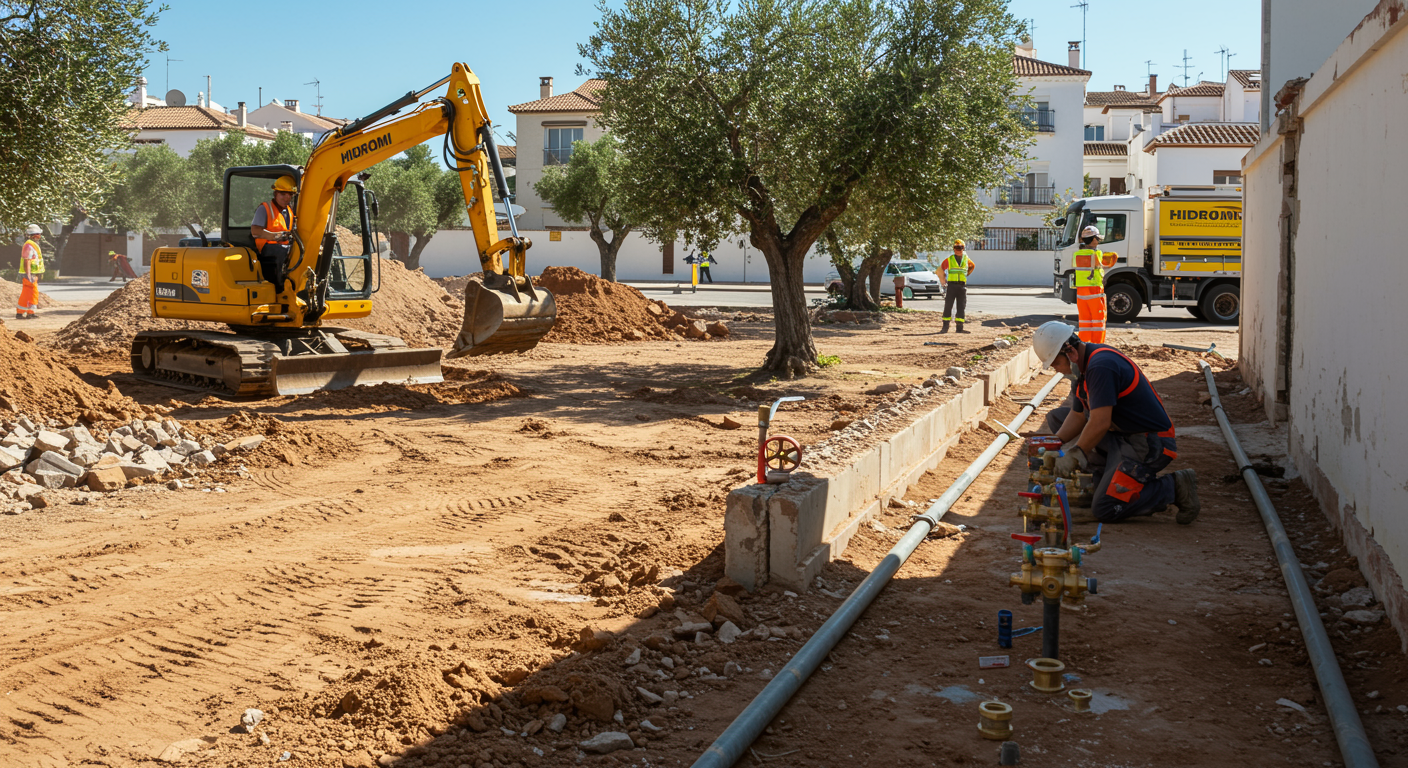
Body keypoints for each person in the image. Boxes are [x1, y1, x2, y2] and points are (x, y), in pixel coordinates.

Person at [1031, 320, 1199, 525]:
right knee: (1057, 417)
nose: (1056, 370)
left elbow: (1100, 422)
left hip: (1149, 443)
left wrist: (1075, 454)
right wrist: (1054, 444)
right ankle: (1102, 474)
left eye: (1056, 363)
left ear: (1070, 352)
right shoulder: (1082, 369)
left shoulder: (1101, 367)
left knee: (1104, 508)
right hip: (1123, 434)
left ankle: (1174, 486)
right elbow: (1078, 415)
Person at [1072, 225, 1118, 343]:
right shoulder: (1097, 253)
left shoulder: (1076, 254)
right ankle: (1097, 346)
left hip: (1081, 293)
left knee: (1085, 321)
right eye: (1097, 238)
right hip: (1094, 292)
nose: (1098, 241)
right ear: (1093, 239)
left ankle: (1084, 345)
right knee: (1098, 321)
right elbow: (1104, 265)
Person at [252, 175, 297, 289]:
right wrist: (273, 236)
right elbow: (255, 231)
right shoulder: (265, 208)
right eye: (283, 194)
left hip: (284, 247)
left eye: (290, 195)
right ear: (275, 193)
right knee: (284, 252)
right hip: (266, 249)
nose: (286, 198)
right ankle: (280, 288)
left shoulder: (289, 211)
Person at [938, 239, 975, 333]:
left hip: (962, 286)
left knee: (961, 306)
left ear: (963, 248)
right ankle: (945, 327)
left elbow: (972, 266)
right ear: (953, 249)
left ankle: (959, 328)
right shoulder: (949, 259)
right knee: (948, 306)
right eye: (956, 247)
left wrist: (965, 275)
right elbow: (940, 270)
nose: (958, 249)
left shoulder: (966, 259)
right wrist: (943, 281)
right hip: (951, 286)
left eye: (960, 247)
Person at [16, 224, 44, 320]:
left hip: (32, 273)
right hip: (29, 274)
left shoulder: (31, 245)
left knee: (27, 293)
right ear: (33, 235)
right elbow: (26, 260)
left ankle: (22, 312)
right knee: (32, 292)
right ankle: (30, 313)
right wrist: (29, 275)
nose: (39, 237)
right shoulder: (29, 246)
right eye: (38, 234)